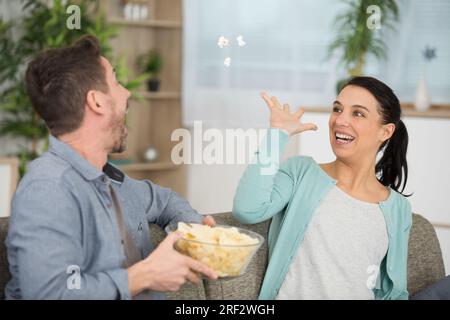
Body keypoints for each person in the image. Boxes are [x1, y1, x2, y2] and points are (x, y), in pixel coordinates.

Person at [5, 35, 217, 300]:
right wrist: (145, 275)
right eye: (116, 81)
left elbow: (165, 202)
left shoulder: (111, 181)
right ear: (96, 102)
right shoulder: (48, 188)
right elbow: (51, 294)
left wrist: (192, 229)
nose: (127, 93)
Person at [233, 76, 412, 300]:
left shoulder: (398, 208)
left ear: (385, 132)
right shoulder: (301, 172)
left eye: (358, 113)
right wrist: (277, 134)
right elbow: (247, 209)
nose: (340, 120)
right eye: (337, 109)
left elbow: (393, 292)